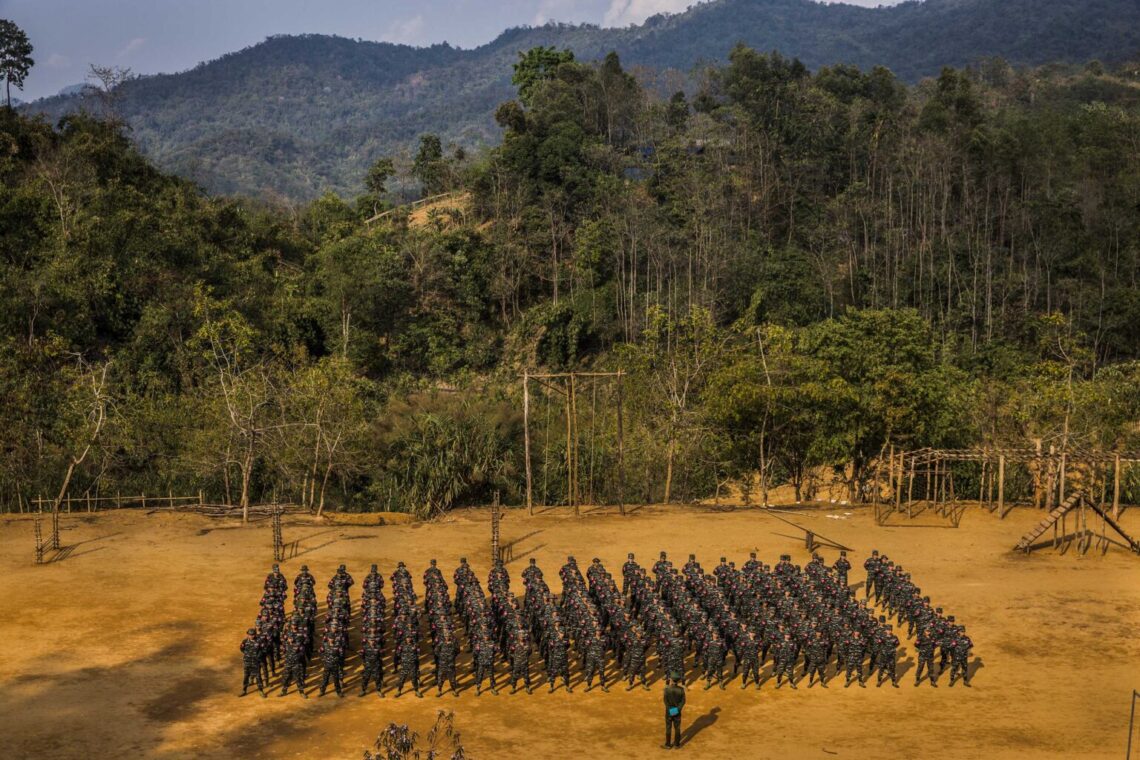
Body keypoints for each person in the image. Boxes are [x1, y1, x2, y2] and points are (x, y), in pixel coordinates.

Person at [663, 672, 686, 750]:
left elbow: (665, 701)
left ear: (671, 680)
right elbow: (683, 701)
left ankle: (668, 744)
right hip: (677, 711)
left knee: (668, 727)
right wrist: (677, 710)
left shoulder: (667, 689)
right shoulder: (681, 690)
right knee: (677, 728)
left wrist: (671, 710)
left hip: (669, 711)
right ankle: (677, 744)